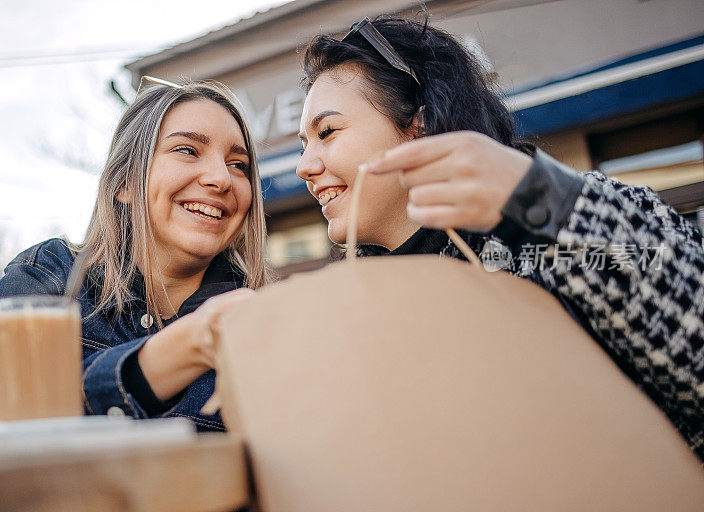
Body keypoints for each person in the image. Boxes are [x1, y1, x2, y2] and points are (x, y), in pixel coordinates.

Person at [296, 16, 704, 460]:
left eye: (327, 133)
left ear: (421, 124)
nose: (304, 166)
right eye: (302, 144)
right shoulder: (348, 314)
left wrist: (539, 199)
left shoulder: (565, 219)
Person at [0, 79, 271, 431]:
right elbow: (5, 413)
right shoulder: (50, 273)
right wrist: (180, 348)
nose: (221, 179)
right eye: (187, 150)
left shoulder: (262, 318)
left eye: (239, 165)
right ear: (124, 183)